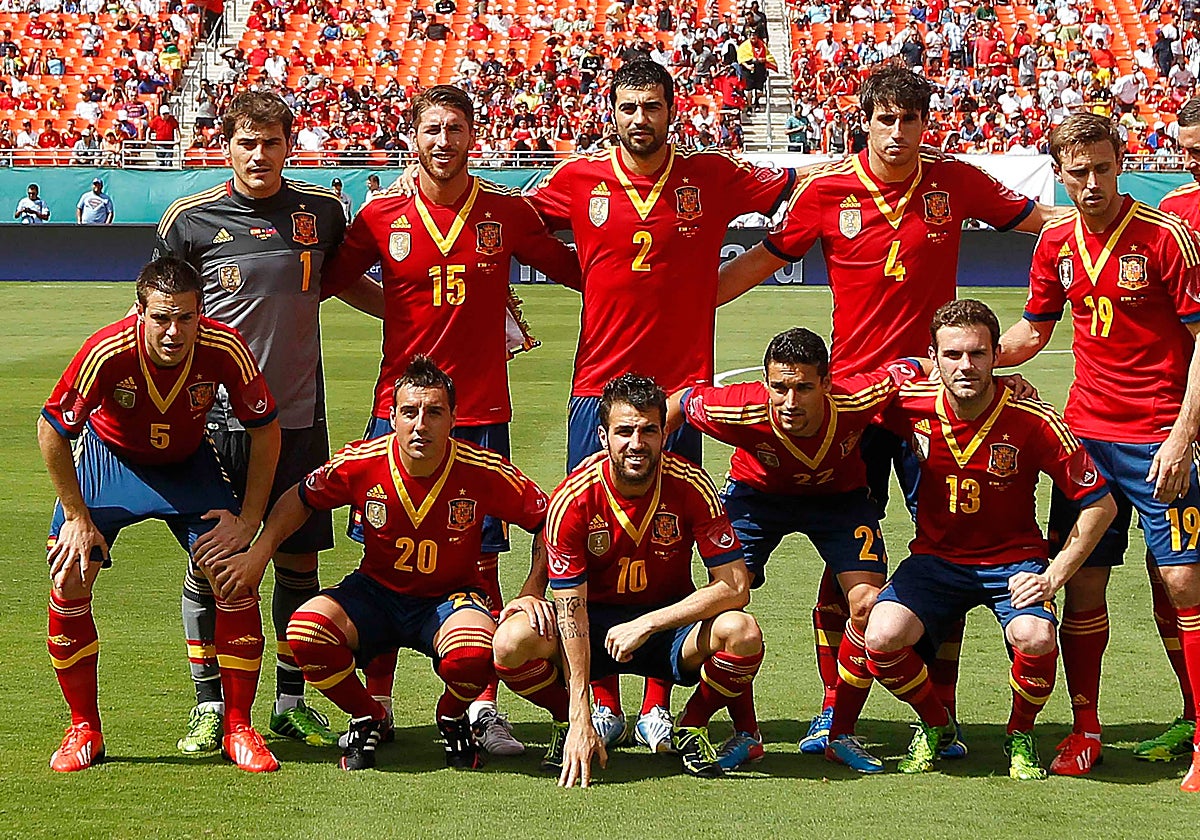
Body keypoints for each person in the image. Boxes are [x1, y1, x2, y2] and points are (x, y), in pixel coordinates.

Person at [715, 63, 1057, 754]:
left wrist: (1119, 229)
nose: (897, 132)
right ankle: (832, 710)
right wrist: (679, 301)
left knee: (949, 552)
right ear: (864, 122)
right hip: (855, 406)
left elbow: (1046, 224)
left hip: (934, 402)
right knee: (848, 563)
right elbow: (758, 263)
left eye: (910, 120)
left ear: (926, 124)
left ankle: (940, 713)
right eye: (884, 119)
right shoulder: (827, 190)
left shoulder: (956, 181)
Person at [523, 60, 793, 748]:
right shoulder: (577, 179)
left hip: (679, 396)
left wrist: (724, 281)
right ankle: (602, 699)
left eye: (651, 106)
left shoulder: (712, 175)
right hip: (597, 391)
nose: (639, 118)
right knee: (592, 539)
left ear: (673, 110)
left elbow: (795, 189)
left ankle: (654, 701)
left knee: (667, 543)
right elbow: (513, 222)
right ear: (609, 112)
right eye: (628, 107)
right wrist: (581, 273)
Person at [321, 84, 580, 756]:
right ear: (413, 136)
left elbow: (574, 268)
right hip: (398, 412)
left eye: (455, 128)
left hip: (479, 411)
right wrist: (395, 308)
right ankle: (377, 706)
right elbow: (330, 280)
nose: (443, 141)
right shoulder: (381, 214)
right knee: (383, 552)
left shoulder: (505, 211)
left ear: (473, 136)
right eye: (432, 128)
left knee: (482, 556)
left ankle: (480, 708)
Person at [156, 90, 382, 756]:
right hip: (214, 421)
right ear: (226, 145)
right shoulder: (189, 221)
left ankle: (290, 702)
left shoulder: (322, 213)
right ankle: (209, 704)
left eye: (272, 142)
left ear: (289, 145)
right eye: (247, 142)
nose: (259, 155)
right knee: (212, 561)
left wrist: (417, 311)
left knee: (298, 562)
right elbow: (161, 316)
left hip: (298, 416)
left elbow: (344, 282)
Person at [216, 356, 551, 771]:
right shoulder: (362, 461)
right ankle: (368, 715)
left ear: (454, 418)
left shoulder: (481, 469)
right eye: (409, 412)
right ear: (392, 418)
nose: (421, 425)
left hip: (449, 598)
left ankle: (451, 717)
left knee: (474, 649)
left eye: (434, 412)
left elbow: (549, 520)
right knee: (305, 631)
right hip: (376, 593)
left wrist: (532, 589)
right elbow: (301, 497)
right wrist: (259, 553)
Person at [998, 112, 1200, 788]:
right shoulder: (1054, 241)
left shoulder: (1166, 236)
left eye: (1103, 168)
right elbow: (1034, 330)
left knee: (1182, 580)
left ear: (1121, 163)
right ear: (1059, 172)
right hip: (1085, 437)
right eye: (1078, 171)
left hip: (1159, 437)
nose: (1091, 183)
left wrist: (1183, 435)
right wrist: (975, 358)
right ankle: (1086, 727)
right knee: (1083, 581)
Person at [38, 256, 283, 773]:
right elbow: (51, 429)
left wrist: (249, 519)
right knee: (69, 573)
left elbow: (265, 430)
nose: (174, 332)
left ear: (201, 313)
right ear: (139, 312)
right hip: (110, 460)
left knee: (233, 574)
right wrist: (77, 517)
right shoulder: (106, 351)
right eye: (161, 318)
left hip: (188, 465)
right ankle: (83, 728)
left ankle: (239, 727)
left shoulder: (226, 347)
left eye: (186, 318)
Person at [865, 299, 1115, 780]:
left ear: (997, 355)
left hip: (1013, 562)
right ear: (933, 358)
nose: (966, 365)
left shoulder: (1034, 418)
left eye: (978, 353)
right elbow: (845, 403)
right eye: (953, 354)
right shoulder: (908, 405)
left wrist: (1052, 577)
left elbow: (1100, 504)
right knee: (881, 637)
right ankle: (936, 723)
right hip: (935, 560)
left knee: (1035, 636)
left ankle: (1020, 732)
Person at [667, 328, 929, 772]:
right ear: (765, 383)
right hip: (757, 499)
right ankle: (745, 734)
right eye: (780, 387)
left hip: (839, 501)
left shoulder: (858, 397)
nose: (790, 401)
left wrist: (998, 381)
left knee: (867, 604)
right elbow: (679, 402)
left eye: (804, 387)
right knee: (726, 600)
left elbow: (912, 367)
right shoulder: (738, 406)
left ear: (827, 383)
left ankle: (839, 730)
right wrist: (652, 454)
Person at [492, 374, 765, 784]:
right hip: (593, 626)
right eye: (624, 431)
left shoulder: (692, 484)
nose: (636, 443)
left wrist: (648, 623)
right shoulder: (574, 497)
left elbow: (736, 586)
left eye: (648, 430)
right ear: (603, 437)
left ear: (663, 435)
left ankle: (691, 725)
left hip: (669, 628)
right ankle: (567, 724)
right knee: (511, 641)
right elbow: (571, 609)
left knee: (742, 632)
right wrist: (579, 711)